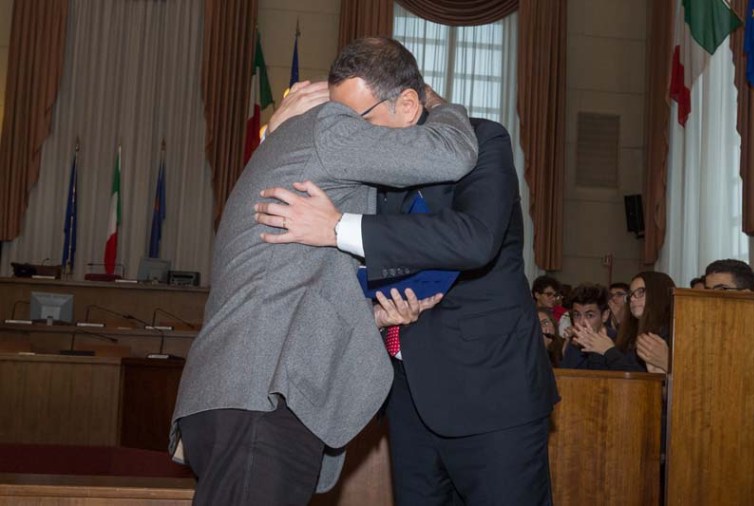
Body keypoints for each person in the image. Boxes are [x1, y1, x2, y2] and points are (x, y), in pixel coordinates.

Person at [170, 37, 479, 506]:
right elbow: (454, 152)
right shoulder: (332, 126)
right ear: (408, 103)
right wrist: (440, 105)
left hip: (245, 395)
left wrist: (373, 317)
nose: (362, 131)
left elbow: (299, 278)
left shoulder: (305, 149)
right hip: (260, 398)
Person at [254, 87, 557, 505]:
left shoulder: (481, 140)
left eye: (362, 116)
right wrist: (275, 131)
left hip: (490, 395)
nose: (354, 129)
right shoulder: (367, 166)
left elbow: (475, 239)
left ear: (409, 103)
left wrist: (339, 227)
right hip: (405, 392)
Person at [559, 283, 618, 370]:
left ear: (605, 315)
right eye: (577, 315)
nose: (582, 322)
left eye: (590, 315)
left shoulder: (619, 342)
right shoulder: (573, 343)